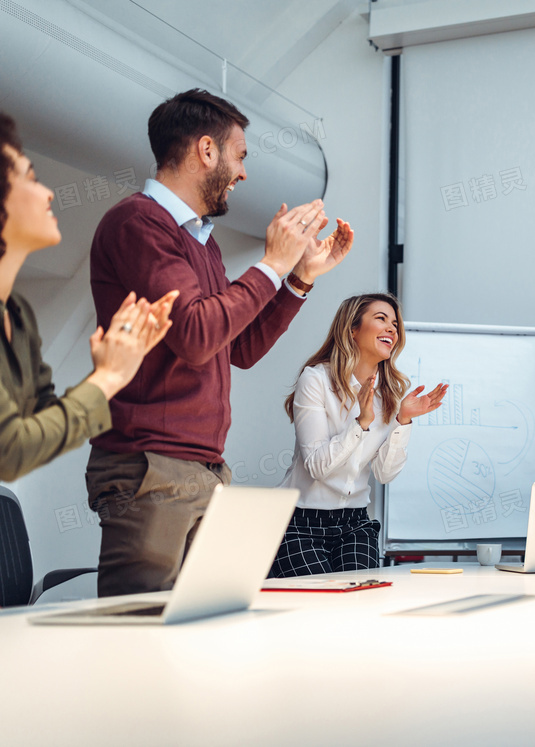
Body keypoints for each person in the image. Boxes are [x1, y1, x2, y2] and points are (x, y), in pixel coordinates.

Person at [85, 89, 354, 599]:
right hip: (151, 467)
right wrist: (271, 263)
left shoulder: (199, 241)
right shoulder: (139, 223)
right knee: (136, 642)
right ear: (206, 150)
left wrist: (297, 279)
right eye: (240, 154)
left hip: (202, 469)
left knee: (201, 634)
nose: (244, 172)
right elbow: (197, 334)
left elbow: (238, 347)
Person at [0, 110, 174, 482]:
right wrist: (109, 376)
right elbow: (9, 451)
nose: (47, 192)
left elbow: (40, 420)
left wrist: (115, 366)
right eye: (30, 178)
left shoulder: (18, 314)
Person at [270, 293, 447, 576]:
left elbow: (384, 473)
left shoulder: (389, 395)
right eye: (381, 319)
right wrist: (360, 424)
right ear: (352, 330)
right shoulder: (315, 380)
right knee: (316, 606)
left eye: (394, 323)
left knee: (361, 607)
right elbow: (317, 466)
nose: (392, 328)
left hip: (355, 524)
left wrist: (403, 420)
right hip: (300, 524)